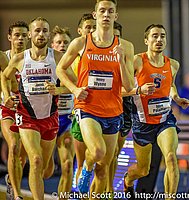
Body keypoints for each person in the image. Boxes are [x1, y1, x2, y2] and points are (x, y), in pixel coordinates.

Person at [56, 0, 134, 194]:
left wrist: (121, 61)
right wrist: (74, 89)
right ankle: (85, 168)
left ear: (116, 16)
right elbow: (60, 69)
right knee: (98, 152)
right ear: (95, 14)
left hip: (113, 111)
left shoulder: (125, 46)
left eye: (110, 11)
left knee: (103, 169)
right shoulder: (81, 43)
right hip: (87, 108)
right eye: (102, 11)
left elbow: (130, 85)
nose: (106, 15)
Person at [1, 17, 71, 199]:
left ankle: (34, 178)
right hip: (26, 117)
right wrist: (7, 95)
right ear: (30, 34)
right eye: (37, 31)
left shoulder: (57, 57)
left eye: (45, 31)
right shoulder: (18, 58)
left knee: (46, 170)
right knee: (35, 159)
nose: (41, 34)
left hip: (50, 117)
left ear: (49, 34)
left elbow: (76, 82)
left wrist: (59, 89)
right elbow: (5, 76)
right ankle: (21, 194)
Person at [123, 24, 189, 199]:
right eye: (154, 36)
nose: (159, 40)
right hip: (142, 122)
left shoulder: (173, 64)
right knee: (143, 169)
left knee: (170, 158)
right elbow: (121, 89)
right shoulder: (137, 61)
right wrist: (139, 90)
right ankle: (128, 181)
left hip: (164, 119)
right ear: (146, 40)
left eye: (162, 36)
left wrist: (176, 98)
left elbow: (170, 85)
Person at [0, 21, 29, 200]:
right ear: (10, 37)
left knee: (23, 156)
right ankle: (16, 195)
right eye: (17, 35)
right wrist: (6, 95)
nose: (20, 39)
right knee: (13, 145)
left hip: (28, 111)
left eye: (24, 35)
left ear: (29, 37)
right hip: (7, 109)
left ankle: (12, 179)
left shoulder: (33, 58)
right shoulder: (3, 57)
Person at [106, 21, 134, 194]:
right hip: (103, 106)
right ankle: (101, 188)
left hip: (124, 107)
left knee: (115, 152)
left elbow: (129, 85)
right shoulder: (98, 55)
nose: (114, 40)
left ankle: (109, 189)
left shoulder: (126, 53)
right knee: (103, 153)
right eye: (111, 36)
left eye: (117, 36)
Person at [47, 25, 75, 196]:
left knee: (67, 165)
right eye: (59, 42)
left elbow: (79, 86)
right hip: (48, 120)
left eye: (66, 42)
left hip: (67, 120)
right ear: (52, 45)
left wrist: (61, 90)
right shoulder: (45, 63)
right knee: (46, 170)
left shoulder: (75, 63)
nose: (63, 45)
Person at [70, 12, 96, 188]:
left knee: (99, 159)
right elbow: (64, 78)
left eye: (94, 27)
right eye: (88, 27)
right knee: (79, 162)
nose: (92, 31)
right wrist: (74, 89)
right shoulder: (74, 57)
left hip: (103, 111)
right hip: (80, 111)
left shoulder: (103, 53)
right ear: (80, 30)